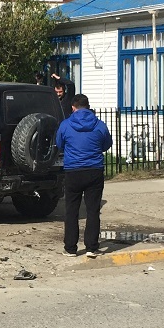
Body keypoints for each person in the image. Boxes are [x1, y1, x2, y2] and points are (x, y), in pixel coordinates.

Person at [56, 94, 113, 258]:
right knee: (93, 210)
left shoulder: (66, 125)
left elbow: (59, 144)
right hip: (94, 170)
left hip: (73, 170)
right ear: (88, 107)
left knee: (71, 210)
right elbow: (106, 144)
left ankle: (70, 247)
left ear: (73, 107)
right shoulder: (100, 125)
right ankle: (91, 247)